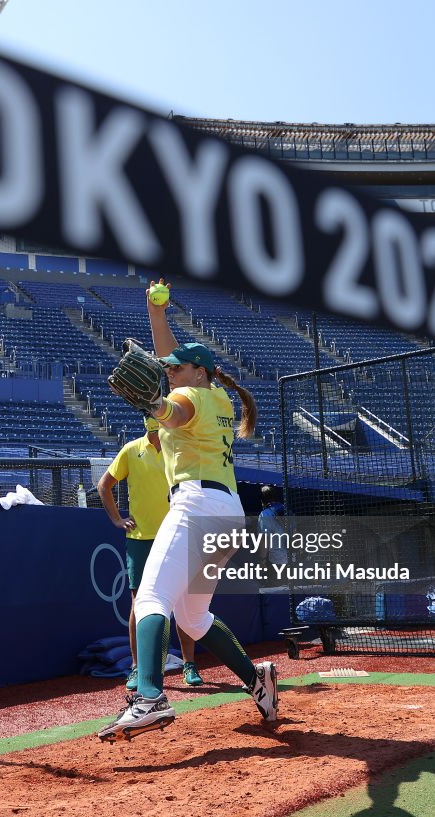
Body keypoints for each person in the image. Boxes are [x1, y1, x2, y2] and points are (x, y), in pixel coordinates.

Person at [98, 281, 278, 742]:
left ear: (198, 371)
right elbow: (171, 359)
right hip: (227, 512)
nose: (169, 372)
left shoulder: (189, 396)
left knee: (152, 599)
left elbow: (173, 411)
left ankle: (150, 698)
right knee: (193, 618)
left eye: (177, 369)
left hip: (196, 506)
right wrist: (156, 312)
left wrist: (153, 403)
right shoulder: (216, 394)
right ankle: (257, 682)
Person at [97, 416, 205, 690]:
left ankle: (189, 664)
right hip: (141, 539)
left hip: (177, 535)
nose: (159, 435)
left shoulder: (178, 450)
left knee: (183, 600)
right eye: (154, 429)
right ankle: (137, 667)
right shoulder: (131, 450)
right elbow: (104, 485)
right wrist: (116, 520)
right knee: (138, 603)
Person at [258, 485, 293, 569]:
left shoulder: (265, 514)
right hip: (292, 558)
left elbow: (265, 540)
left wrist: (262, 560)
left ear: (262, 500)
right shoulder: (288, 510)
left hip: (276, 560)